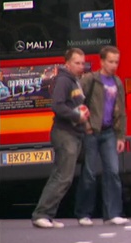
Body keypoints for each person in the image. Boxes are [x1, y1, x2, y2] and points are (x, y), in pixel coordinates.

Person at [32, 48, 89, 229]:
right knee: (63, 177)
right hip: (65, 134)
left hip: (73, 134)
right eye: (77, 63)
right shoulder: (64, 80)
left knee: (62, 176)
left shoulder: (74, 81)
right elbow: (57, 106)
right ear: (67, 63)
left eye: (82, 63)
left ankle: (48, 215)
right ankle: (41, 214)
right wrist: (76, 116)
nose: (81, 66)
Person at [74, 46, 129, 226]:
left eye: (116, 62)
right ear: (102, 61)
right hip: (91, 132)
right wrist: (86, 126)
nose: (114, 65)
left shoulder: (118, 82)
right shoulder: (91, 79)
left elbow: (121, 111)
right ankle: (84, 213)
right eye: (111, 61)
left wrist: (121, 136)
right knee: (89, 173)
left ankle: (112, 213)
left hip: (109, 132)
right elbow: (77, 102)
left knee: (112, 171)